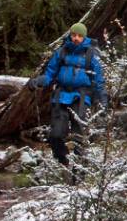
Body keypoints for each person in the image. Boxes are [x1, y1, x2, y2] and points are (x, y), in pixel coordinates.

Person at [28, 23, 107, 181]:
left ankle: (79, 176)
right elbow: (50, 73)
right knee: (55, 135)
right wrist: (38, 81)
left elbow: (99, 80)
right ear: (70, 35)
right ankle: (63, 160)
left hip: (81, 97)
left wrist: (102, 100)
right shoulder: (61, 51)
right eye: (74, 35)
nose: (76, 38)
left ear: (84, 37)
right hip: (61, 96)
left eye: (79, 36)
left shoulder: (91, 55)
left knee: (79, 137)